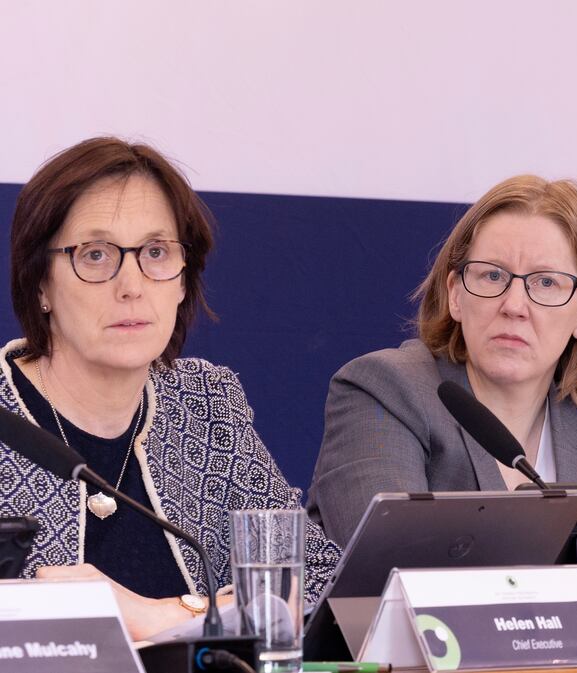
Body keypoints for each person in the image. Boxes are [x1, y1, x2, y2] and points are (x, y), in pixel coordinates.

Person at [1, 137, 340, 639]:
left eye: (156, 252)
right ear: (39, 284)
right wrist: (213, 613)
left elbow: (313, 580)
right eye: (95, 255)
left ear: (183, 281)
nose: (132, 285)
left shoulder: (205, 402)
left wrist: (166, 617)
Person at [308, 175, 577, 545]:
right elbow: (388, 567)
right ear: (455, 294)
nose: (514, 306)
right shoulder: (386, 391)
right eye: (492, 275)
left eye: (546, 283)